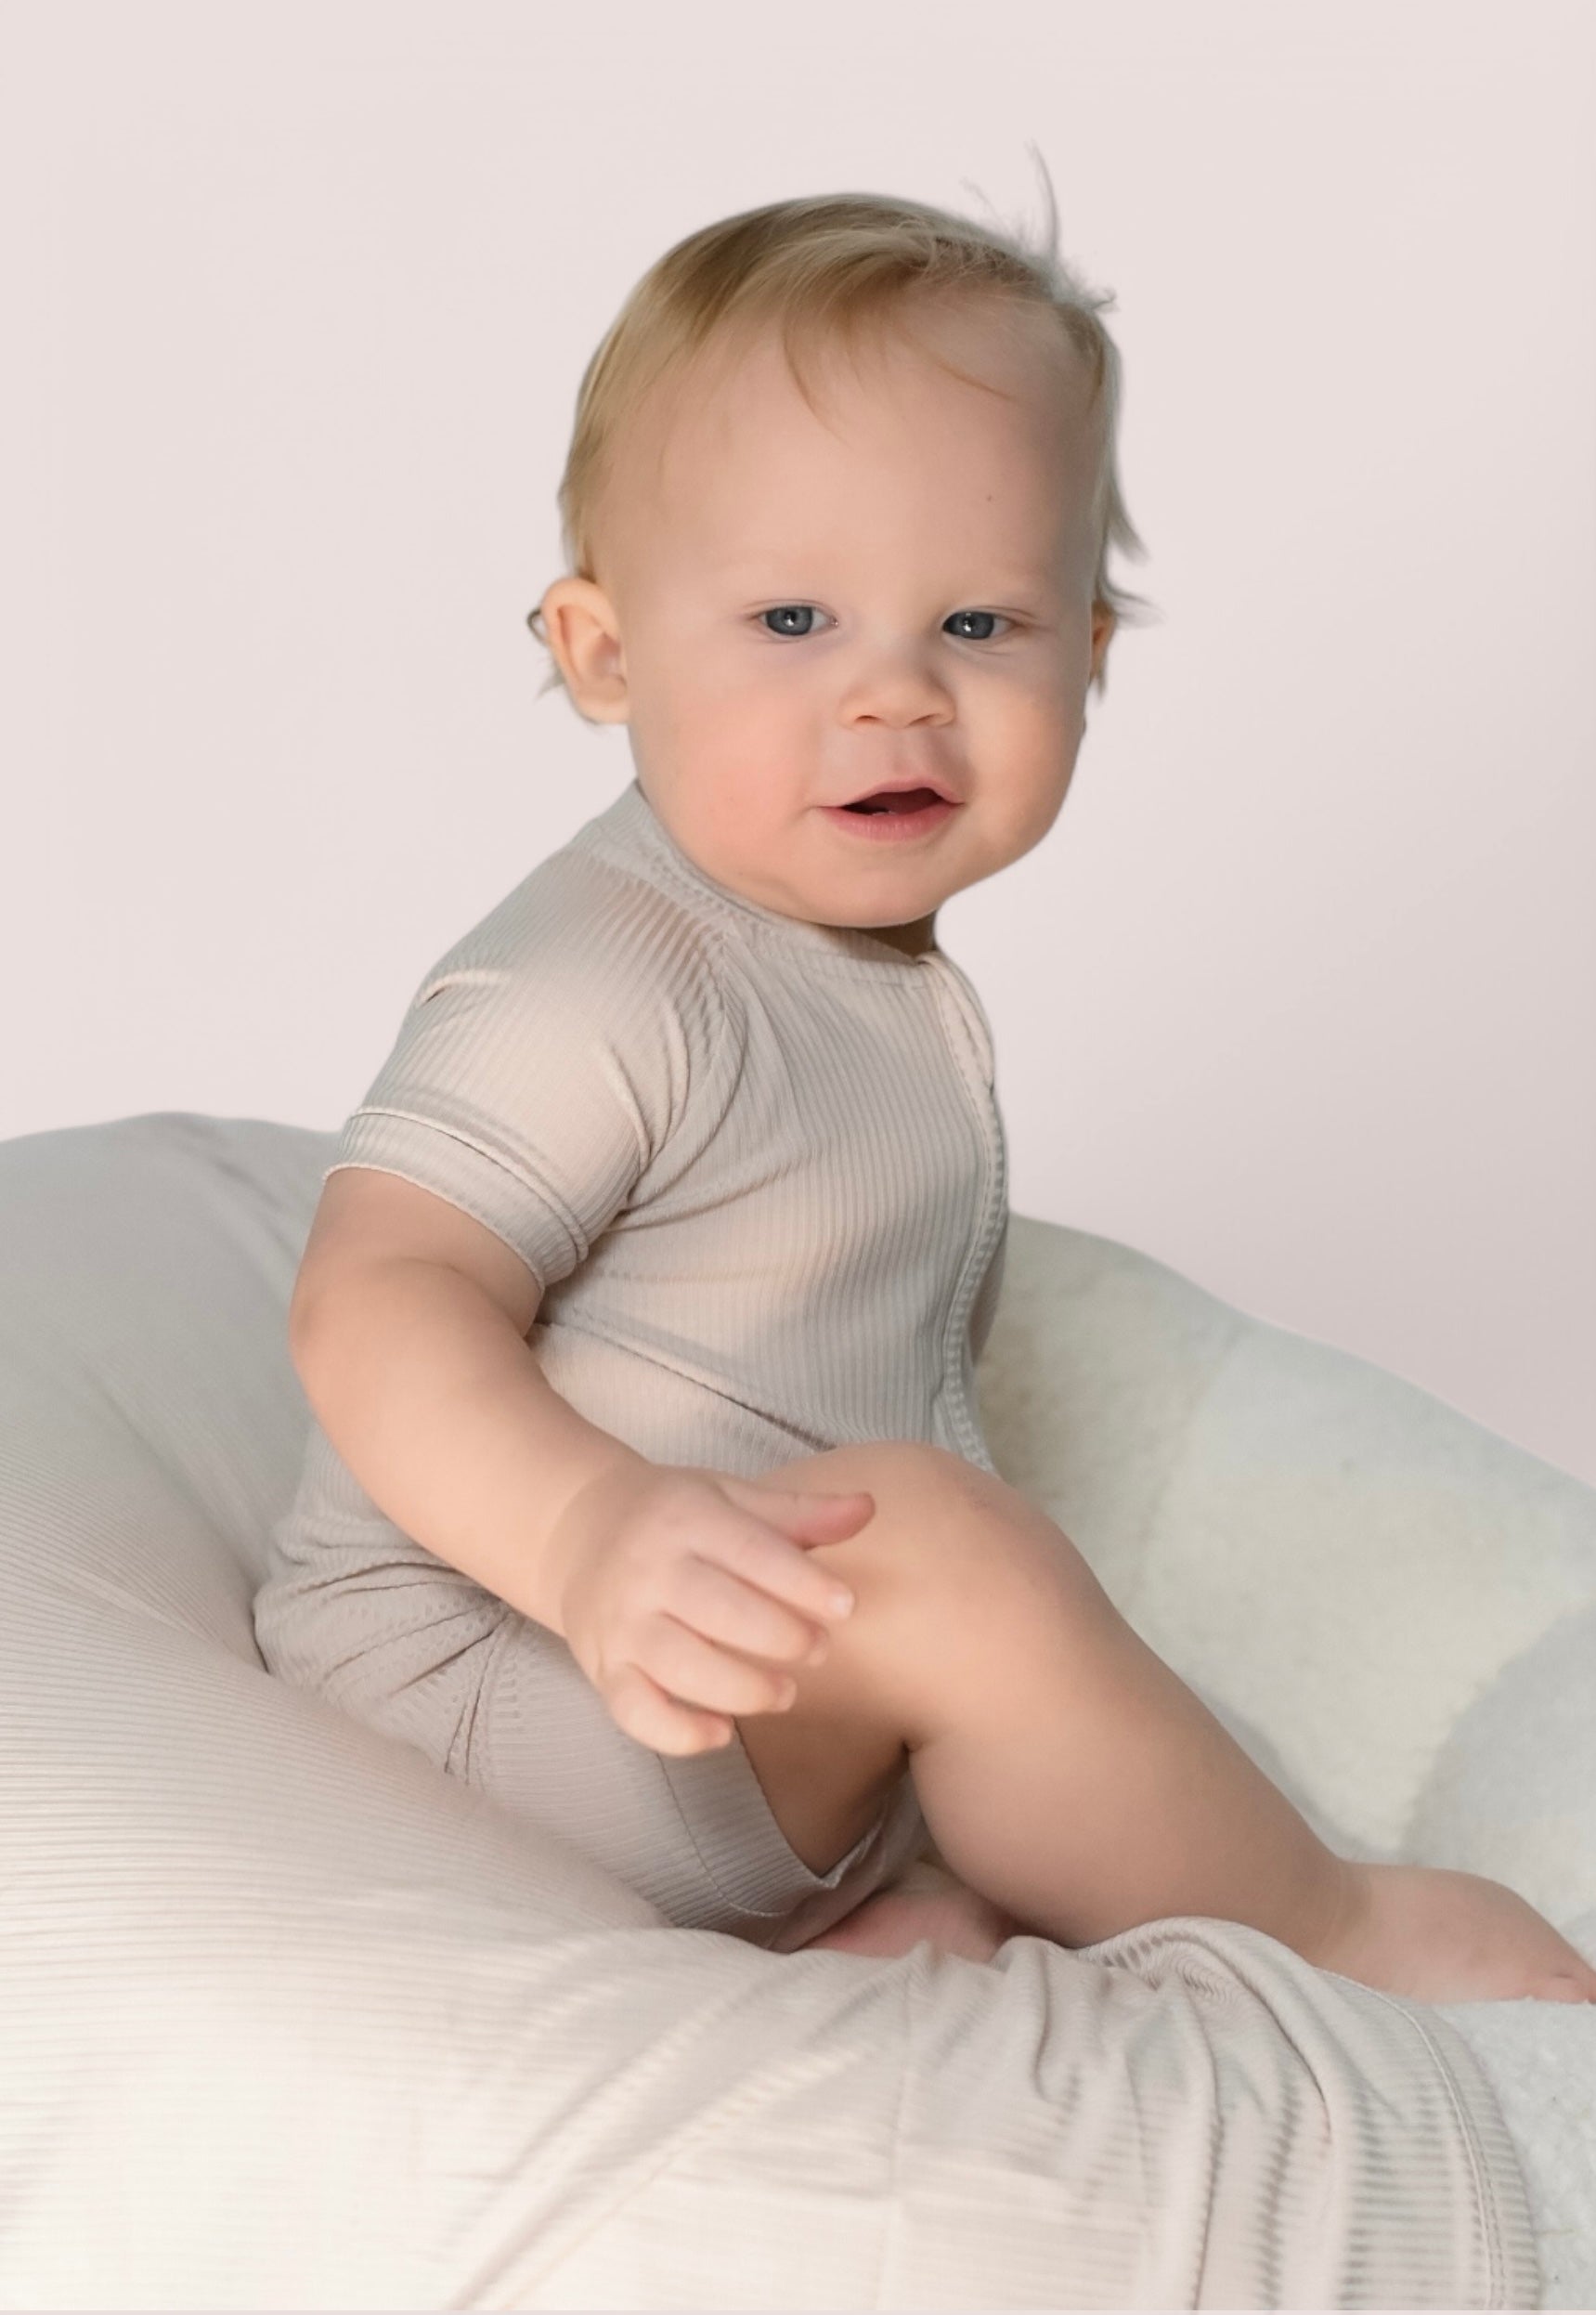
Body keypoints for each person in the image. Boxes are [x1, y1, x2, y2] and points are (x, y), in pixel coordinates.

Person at [253, 186, 1595, 2006]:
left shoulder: (850, 969)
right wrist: (581, 1532)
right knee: (929, 1548)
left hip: (713, 1680)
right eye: (791, 616)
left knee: (975, 1594)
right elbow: (376, 1293)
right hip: (491, 1678)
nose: (893, 694)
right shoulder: (596, 979)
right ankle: (1339, 1935)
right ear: (605, 653)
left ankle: (877, 1904)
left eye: (975, 619)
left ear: (1086, 656)